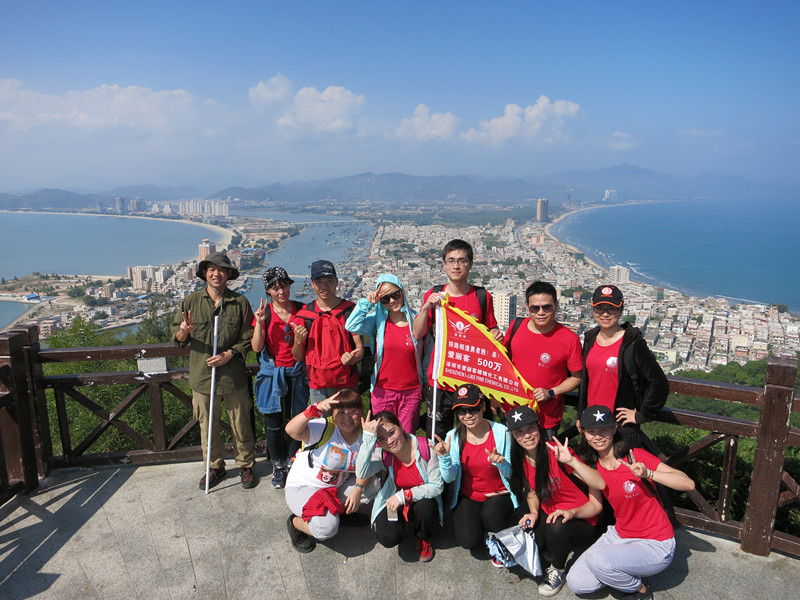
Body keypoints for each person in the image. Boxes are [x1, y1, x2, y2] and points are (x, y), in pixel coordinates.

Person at [567, 405, 695, 600]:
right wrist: (571, 513)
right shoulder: (594, 466)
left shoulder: (634, 456)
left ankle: (641, 590)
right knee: (578, 583)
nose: (597, 437)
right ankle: (622, 569)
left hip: (656, 542)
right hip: (621, 535)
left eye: (603, 430)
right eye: (591, 432)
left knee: (597, 559)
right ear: (583, 433)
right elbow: (596, 506)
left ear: (614, 429)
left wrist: (649, 474)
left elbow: (688, 483)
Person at [171, 252, 257, 490]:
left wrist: (230, 353)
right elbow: (177, 339)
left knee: (240, 423)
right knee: (207, 425)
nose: (216, 273)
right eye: (211, 269)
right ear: (205, 274)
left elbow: (248, 337)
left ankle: (245, 464)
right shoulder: (190, 302)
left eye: (221, 269)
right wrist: (184, 331)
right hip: (202, 376)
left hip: (233, 376)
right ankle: (214, 466)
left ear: (228, 274)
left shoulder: (240, 303)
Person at [507, 405, 605, 597]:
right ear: (513, 435)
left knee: (556, 526)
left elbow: (599, 485)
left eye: (530, 428)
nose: (527, 435)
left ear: (539, 427)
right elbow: (532, 492)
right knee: (529, 534)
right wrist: (534, 512)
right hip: (550, 512)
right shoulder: (522, 458)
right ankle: (554, 550)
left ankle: (558, 569)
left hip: (583, 517)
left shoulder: (558, 453)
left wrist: (571, 461)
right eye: (520, 432)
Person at [413, 239, 503, 439]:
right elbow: (417, 333)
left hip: (473, 379)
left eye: (462, 260)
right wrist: (427, 306)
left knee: (475, 435)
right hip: (440, 379)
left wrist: (496, 333)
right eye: (451, 260)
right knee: (437, 437)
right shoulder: (435, 294)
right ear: (444, 264)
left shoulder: (482, 296)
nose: (456, 266)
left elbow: (491, 328)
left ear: (470, 264)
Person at [575, 284, 669, 446]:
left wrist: (642, 415)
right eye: (600, 309)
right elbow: (586, 381)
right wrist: (580, 414)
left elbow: (659, 382)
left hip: (619, 426)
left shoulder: (633, 343)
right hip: (592, 423)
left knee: (619, 469)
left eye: (611, 309)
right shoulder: (590, 339)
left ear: (620, 310)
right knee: (591, 470)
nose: (605, 314)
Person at [431, 384, 517, 557]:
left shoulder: (502, 432)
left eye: (473, 409)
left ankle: (497, 527)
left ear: (483, 406)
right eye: (461, 411)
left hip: (498, 493)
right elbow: (449, 479)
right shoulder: (452, 437)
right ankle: (484, 525)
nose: (468, 416)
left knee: (491, 515)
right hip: (469, 495)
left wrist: (501, 463)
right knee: (468, 541)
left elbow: (510, 474)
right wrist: (444, 458)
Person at [284, 389, 372, 553]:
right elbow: (291, 430)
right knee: (327, 528)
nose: (348, 418)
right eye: (342, 412)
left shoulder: (364, 433)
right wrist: (314, 409)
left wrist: (358, 489)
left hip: (334, 489)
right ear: (333, 412)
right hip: (304, 487)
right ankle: (296, 523)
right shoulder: (325, 427)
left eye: (353, 411)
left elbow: (370, 466)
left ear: (361, 410)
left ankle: (339, 513)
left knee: (373, 483)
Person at [356, 411, 443, 562]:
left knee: (425, 507)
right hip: (395, 503)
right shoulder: (383, 454)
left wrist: (404, 495)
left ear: (401, 427)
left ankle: (422, 536)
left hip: (420, 500)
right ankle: (401, 521)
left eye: (392, 432)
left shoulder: (426, 448)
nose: (389, 441)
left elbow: (436, 486)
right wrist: (368, 439)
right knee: (388, 538)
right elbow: (362, 472)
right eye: (381, 438)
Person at [252, 266, 309, 489]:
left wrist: (298, 340)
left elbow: (301, 352)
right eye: (275, 288)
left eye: (284, 286)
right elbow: (256, 347)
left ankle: (293, 461)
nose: (281, 291)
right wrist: (258, 322)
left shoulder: (302, 311)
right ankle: (278, 464)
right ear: (268, 291)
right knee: (273, 424)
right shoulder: (265, 315)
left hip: (296, 372)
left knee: (297, 420)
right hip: (272, 374)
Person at [345, 273, 423, 433]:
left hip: (411, 391)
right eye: (385, 299)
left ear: (402, 292)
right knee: (382, 437)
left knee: (406, 437)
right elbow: (351, 325)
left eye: (395, 295)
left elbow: (427, 352)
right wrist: (367, 303)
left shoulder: (416, 319)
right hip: (383, 391)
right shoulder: (377, 321)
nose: (392, 301)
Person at [505, 281, 583, 440]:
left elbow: (577, 377)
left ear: (556, 305)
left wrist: (551, 392)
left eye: (547, 307)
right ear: (527, 307)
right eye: (535, 308)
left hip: (546, 417)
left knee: (543, 462)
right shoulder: (516, 326)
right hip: (513, 411)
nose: (541, 312)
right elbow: (502, 362)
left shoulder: (569, 339)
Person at [292, 260, 364, 405]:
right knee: (323, 426)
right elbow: (298, 356)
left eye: (329, 281)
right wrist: (298, 341)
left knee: (347, 424)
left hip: (346, 382)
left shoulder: (350, 311)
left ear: (337, 282)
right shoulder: (304, 316)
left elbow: (360, 350)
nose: (324, 287)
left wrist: (353, 358)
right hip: (318, 385)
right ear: (312, 284)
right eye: (319, 282)